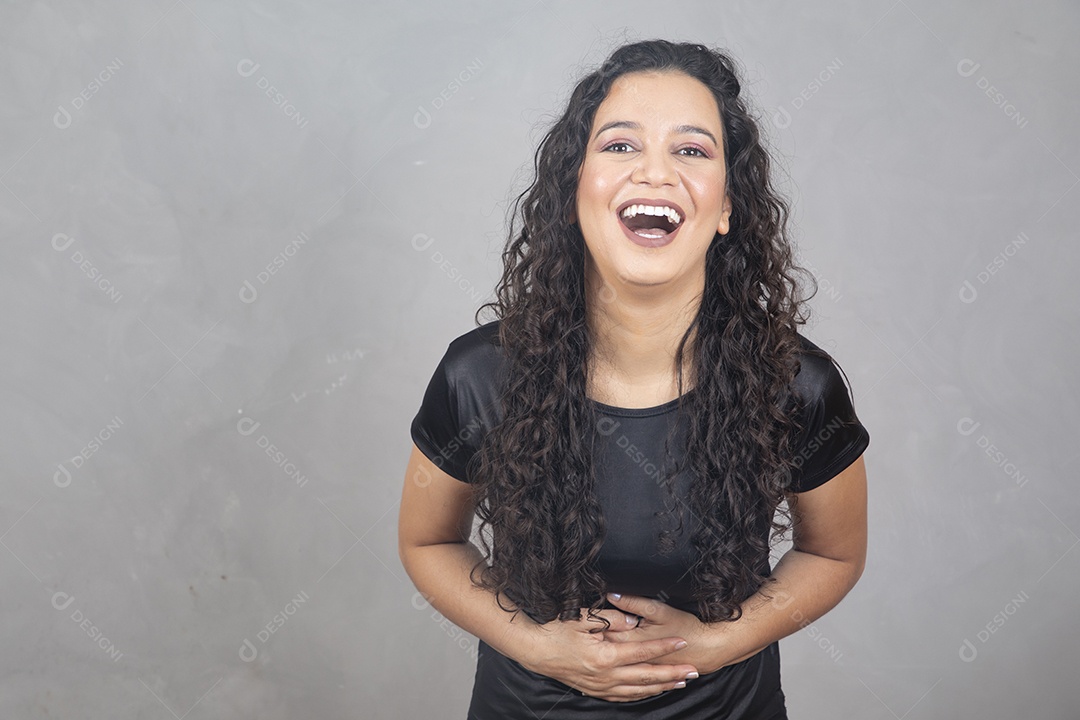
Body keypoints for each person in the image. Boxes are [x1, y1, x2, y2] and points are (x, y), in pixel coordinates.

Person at [398, 38, 870, 719]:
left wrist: (716, 644)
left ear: (729, 207)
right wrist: (535, 644)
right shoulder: (479, 376)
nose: (655, 172)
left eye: (692, 150)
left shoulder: (796, 384)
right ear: (572, 194)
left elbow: (833, 555)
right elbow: (426, 541)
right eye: (621, 146)